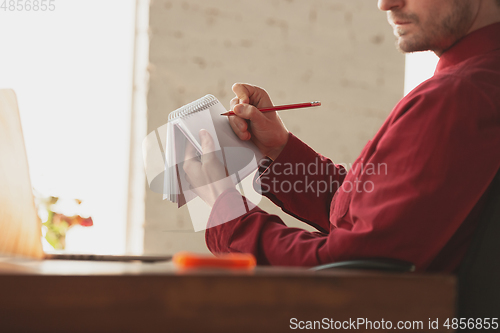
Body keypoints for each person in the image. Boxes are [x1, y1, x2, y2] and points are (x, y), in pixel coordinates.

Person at [183, 0, 500, 272]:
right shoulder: (481, 82)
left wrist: (225, 210)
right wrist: (279, 150)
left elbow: (356, 267)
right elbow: (375, 221)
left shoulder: (455, 98)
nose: (385, 3)